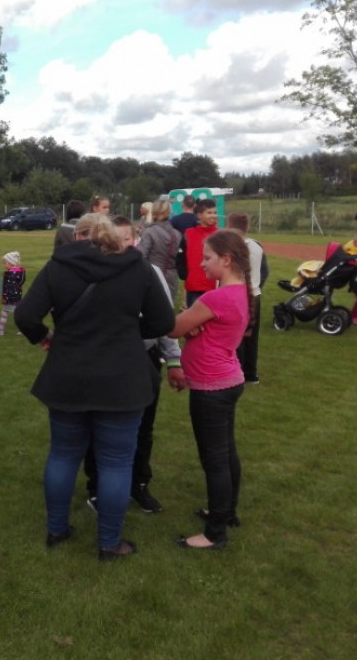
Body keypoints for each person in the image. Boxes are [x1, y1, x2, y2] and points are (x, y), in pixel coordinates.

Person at [15, 214, 174, 559]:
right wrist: (127, 333)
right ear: (116, 237)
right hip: (123, 378)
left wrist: (46, 337)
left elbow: (25, 316)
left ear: (80, 236)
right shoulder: (139, 269)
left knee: (63, 454)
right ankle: (109, 542)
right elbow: (164, 322)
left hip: (68, 374)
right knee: (116, 462)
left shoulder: (58, 267)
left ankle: (57, 530)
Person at [84, 216, 184, 515]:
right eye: (118, 239)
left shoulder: (149, 271)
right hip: (102, 359)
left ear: (136, 241)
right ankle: (97, 486)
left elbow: (166, 320)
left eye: (129, 239)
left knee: (143, 426)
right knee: (97, 424)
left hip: (143, 358)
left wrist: (174, 361)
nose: (124, 245)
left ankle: (139, 484)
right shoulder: (93, 272)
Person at [169, 229, 251, 551]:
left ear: (226, 260)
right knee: (226, 452)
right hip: (227, 382)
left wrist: (187, 323)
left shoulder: (215, 297)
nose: (201, 264)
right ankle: (226, 511)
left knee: (215, 459)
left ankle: (215, 532)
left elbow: (173, 327)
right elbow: (199, 329)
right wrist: (195, 328)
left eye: (207, 258)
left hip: (212, 388)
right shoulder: (240, 292)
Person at [227, 212, 264, 384]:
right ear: (247, 227)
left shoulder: (231, 247)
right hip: (255, 295)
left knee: (237, 337)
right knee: (251, 339)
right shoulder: (257, 246)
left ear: (229, 226)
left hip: (238, 295)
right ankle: (251, 374)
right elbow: (264, 272)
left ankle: (238, 373)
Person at [176, 198, 219, 307]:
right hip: (194, 288)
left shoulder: (220, 235)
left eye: (215, 212)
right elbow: (180, 256)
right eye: (209, 213)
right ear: (199, 215)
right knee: (194, 322)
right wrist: (185, 275)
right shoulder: (189, 234)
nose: (213, 215)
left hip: (214, 288)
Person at [138, 199, 182, 302]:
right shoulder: (177, 234)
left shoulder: (149, 232)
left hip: (153, 275)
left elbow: (141, 256)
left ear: (153, 212)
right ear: (168, 213)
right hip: (172, 276)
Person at [0, 251, 25, 336]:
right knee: (18, 313)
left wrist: (4, 298)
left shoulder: (8, 274)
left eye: (5, 263)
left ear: (10, 263)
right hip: (18, 297)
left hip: (10, 298)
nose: (4, 265)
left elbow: (7, 287)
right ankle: (23, 330)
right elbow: (21, 282)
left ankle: (0, 330)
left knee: (4, 312)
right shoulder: (21, 272)